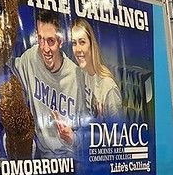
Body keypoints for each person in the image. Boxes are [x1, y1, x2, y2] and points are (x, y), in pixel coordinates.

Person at [15, 9, 86, 158]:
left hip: (71, 161)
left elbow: (89, 136)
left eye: (50, 41)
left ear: (60, 41)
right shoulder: (30, 58)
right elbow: (8, 71)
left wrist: (72, 137)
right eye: (40, 39)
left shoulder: (77, 77)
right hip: (42, 161)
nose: (45, 48)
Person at [70, 18, 122, 119]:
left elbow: (118, 131)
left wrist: (100, 124)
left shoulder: (108, 87)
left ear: (91, 45)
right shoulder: (78, 75)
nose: (77, 49)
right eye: (74, 43)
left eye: (82, 42)